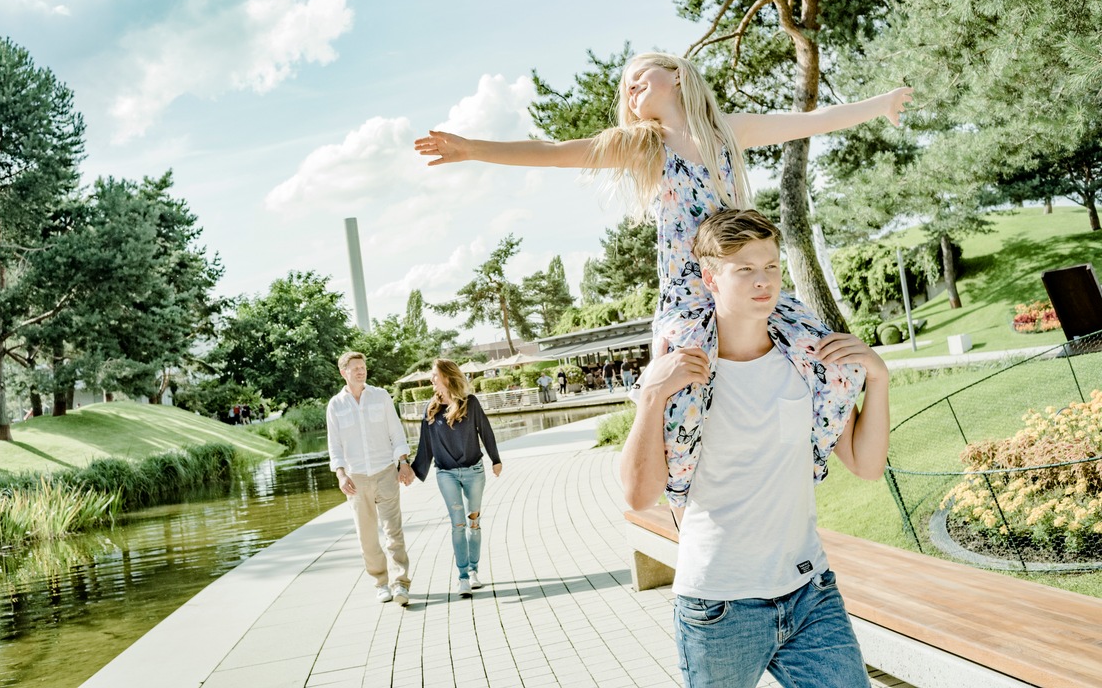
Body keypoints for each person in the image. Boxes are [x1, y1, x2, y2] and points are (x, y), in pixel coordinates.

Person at [415, 51, 910, 508]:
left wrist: (880, 103)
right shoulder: (644, 145)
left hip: (749, 284)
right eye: (625, 89)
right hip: (690, 302)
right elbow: (555, 150)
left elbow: (808, 121)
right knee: (684, 396)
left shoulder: (725, 133)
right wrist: (473, 148)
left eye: (638, 80)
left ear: (675, 74)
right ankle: (683, 488)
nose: (630, 92)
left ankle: (817, 451)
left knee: (832, 358)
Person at [621, 209, 890, 688]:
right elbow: (639, 496)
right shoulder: (681, 376)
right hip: (720, 606)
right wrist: (650, 395)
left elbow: (867, 466)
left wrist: (879, 378)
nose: (763, 281)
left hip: (810, 592)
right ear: (710, 278)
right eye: (744, 269)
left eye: (771, 267)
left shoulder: (807, 362)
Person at [326, 351, 415, 606]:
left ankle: (401, 583)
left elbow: (396, 431)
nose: (361, 371)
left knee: (393, 532)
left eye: (363, 367)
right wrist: (340, 474)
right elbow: (335, 445)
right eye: (355, 368)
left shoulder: (380, 396)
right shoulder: (336, 405)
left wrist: (403, 463)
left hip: (385, 472)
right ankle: (380, 582)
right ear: (344, 372)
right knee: (367, 537)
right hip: (356, 478)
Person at [411, 359, 503, 598]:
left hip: (474, 471)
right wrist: (412, 471)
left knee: (473, 523)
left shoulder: (470, 404)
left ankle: (474, 571)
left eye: (434, 374)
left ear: (447, 377)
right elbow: (425, 446)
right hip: (446, 473)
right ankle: (462, 577)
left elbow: (486, 431)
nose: (431, 378)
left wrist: (495, 459)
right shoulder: (431, 408)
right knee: (457, 524)